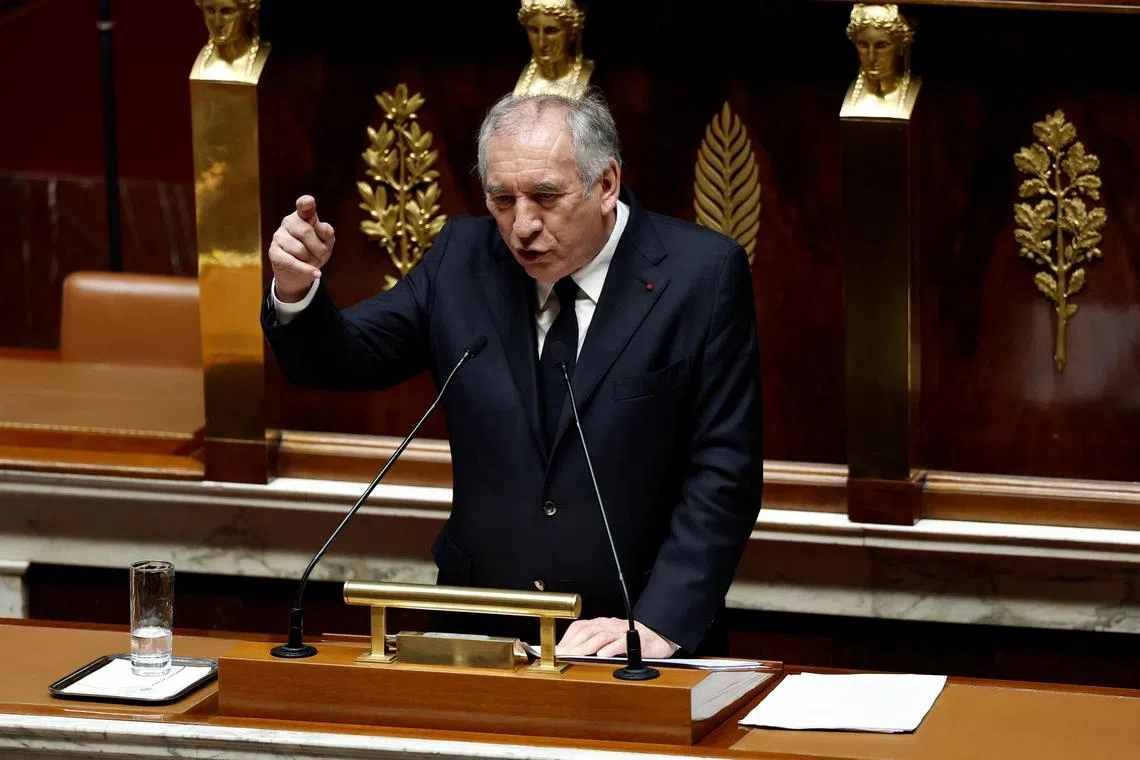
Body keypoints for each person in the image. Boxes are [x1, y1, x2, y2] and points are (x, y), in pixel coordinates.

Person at [262, 91, 763, 657]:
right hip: (479, 629)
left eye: (545, 197)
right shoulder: (462, 258)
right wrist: (296, 289)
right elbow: (341, 359)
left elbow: (725, 471)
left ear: (606, 183)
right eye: (502, 200)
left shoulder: (702, 274)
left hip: (633, 638)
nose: (522, 226)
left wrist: (660, 624)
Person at [840, 4, 919, 119]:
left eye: (881, 46)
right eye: (863, 45)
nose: (871, 57)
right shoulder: (851, 92)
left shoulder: (914, 88)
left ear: (901, 46)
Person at [513, 0, 594, 99]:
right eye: (533, 30)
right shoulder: (524, 77)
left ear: (572, 32)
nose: (541, 43)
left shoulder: (587, 74)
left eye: (551, 31)